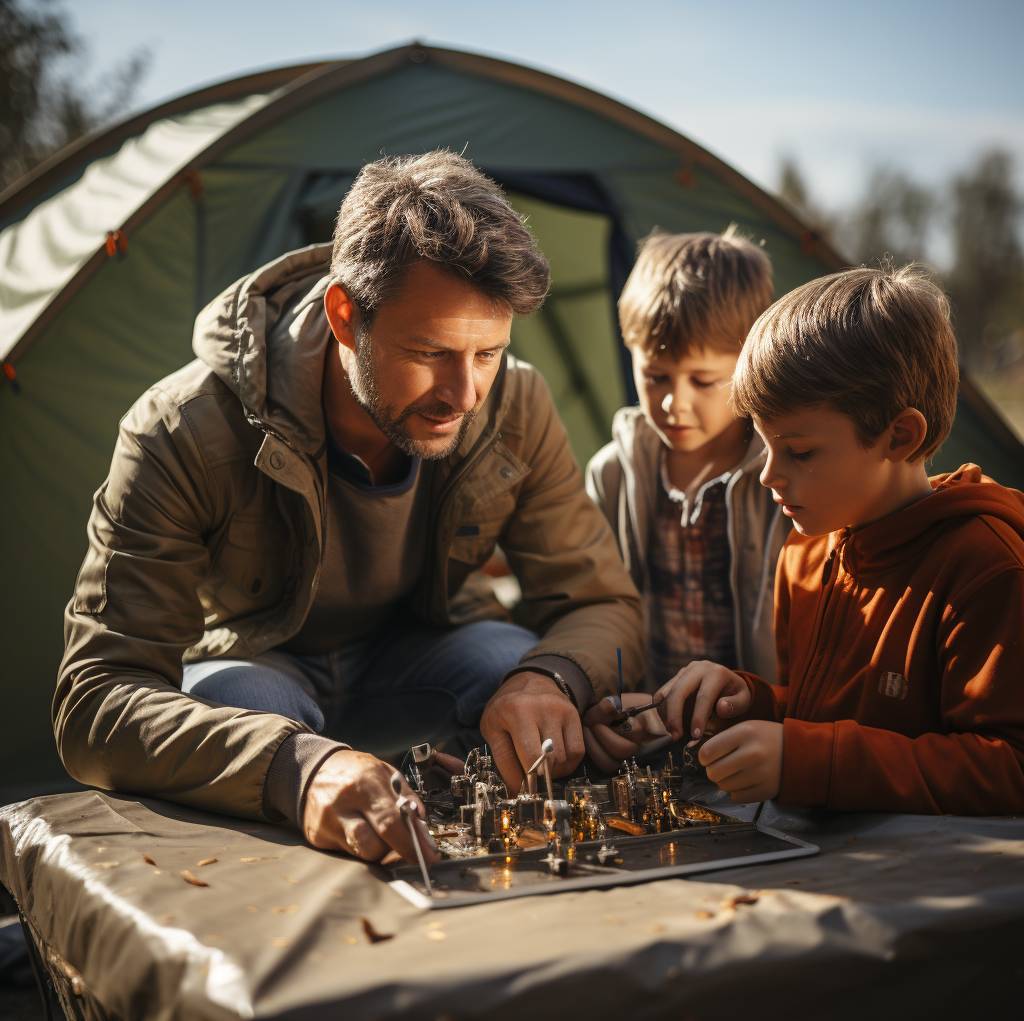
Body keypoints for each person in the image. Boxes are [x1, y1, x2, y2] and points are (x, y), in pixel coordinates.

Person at [55, 151, 644, 864]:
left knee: (513, 662)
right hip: (256, 666)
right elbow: (95, 697)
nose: (463, 394)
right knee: (245, 700)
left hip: (421, 653)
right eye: (429, 351)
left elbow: (601, 603)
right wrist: (299, 769)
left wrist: (549, 680)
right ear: (344, 315)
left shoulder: (517, 404)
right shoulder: (180, 429)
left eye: (487, 353)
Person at [594, 264, 1024, 815]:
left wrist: (805, 760)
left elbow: (1010, 765)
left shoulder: (985, 567)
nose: (768, 474)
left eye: (799, 452)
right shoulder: (805, 555)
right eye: (764, 445)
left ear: (900, 435)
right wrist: (747, 703)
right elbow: (819, 717)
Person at [584, 229, 786, 770]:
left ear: (749, 362)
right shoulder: (612, 475)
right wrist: (602, 708)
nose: (675, 402)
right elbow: (589, 602)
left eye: (703, 380)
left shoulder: (782, 474)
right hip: (648, 737)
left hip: (760, 735)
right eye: (655, 376)